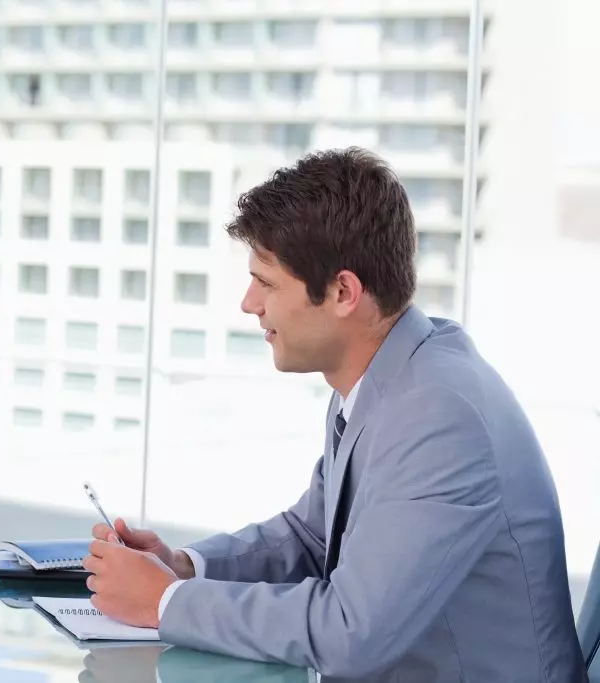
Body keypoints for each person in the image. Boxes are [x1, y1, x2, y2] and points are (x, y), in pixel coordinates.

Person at [84, 148, 587, 682]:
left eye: (268, 282)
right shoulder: (386, 378)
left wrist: (166, 603)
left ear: (344, 292)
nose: (249, 303)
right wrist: (184, 567)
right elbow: (313, 537)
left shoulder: (438, 415)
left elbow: (351, 632)